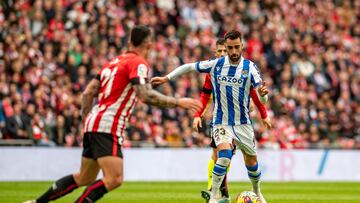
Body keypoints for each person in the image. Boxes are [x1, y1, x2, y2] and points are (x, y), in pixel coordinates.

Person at [23, 25, 202, 203]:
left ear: (130, 41)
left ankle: (37, 202)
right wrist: (179, 102)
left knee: (84, 177)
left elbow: (88, 92)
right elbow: (145, 95)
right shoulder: (138, 63)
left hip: (95, 121)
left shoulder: (113, 62)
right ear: (148, 45)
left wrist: (88, 120)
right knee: (114, 178)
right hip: (108, 124)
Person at [151, 30, 268, 203]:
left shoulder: (250, 68)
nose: (234, 52)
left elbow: (262, 98)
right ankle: (213, 197)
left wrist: (263, 95)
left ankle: (257, 191)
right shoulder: (216, 64)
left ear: (242, 46)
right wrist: (167, 78)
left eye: (237, 47)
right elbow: (189, 66)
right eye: (230, 48)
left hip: (243, 123)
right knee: (224, 155)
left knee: (251, 161)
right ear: (225, 48)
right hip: (221, 122)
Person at [192, 39, 271, 203]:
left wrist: (263, 113)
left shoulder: (243, 69)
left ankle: (226, 194)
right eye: (219, 51)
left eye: (224, 51)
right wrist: (198, 114)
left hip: (241, 121)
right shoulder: (213, 70)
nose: (223, 54)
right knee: (220, 155)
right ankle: (219, 193)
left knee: (243, 158)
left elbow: (255, 94)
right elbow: (205, 95)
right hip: (221, 121)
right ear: (215, 53)